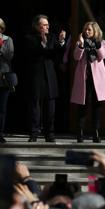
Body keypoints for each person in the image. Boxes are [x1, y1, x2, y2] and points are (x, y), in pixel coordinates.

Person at [24, 14, 66, 142]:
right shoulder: (29, 38)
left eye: (48, 24)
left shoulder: (52, 37)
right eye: (44, 25)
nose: (48, 27)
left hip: (50, 75)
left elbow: (58, 51)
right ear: (37, 26)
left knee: (50, 106)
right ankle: (34, 133)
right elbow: (32, 54)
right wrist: (42, 44)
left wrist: (61, 41)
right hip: (36, 76)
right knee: (35, 105)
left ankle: (50, 133)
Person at [70, 21, 105, 143]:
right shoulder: (80, 42)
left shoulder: (102, 43)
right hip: (84, 78)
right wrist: (81, 45)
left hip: (97, 79)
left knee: (96, 106)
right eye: (85, 30)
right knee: (82, 105)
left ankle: (96, 132)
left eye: (89, 30)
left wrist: (97, 45)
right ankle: (80, 132)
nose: (87, 32)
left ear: (95, 32)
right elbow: (76, 57)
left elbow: (103, 55)